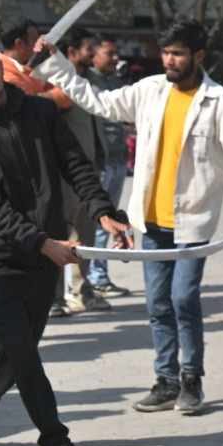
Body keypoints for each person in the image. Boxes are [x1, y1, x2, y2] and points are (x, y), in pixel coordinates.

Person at [35, 20, 223, 416]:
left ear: (198, 56)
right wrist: (54, 65)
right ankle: (166, 380)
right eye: (166, 53)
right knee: (158, 304)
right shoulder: (150, 91)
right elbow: (97, 101)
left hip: (193, 224)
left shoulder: (219, 101)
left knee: (183, 299)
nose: (170, 61)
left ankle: (191, 379)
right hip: (152, 223)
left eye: (178, 54)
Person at [0, 34, 128, 446]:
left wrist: (103, 212)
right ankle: (57, 443)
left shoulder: (40, 112)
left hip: (42, 258)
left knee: (17, 350)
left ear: (1, 64)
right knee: (24, 351)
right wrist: (45, 243)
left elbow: (76, 164)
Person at [54, 31, 114, 314]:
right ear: (72, 51)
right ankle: (53, 298)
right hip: (64, 172)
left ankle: (80, 290)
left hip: (90, 170)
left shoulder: (93, 82)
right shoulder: (56, 82)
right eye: (89, 48)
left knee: (86, 234)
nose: (93, 53)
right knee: (57, 233)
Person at [81, 36, 133, 298]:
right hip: (99, 162)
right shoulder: (86, 83)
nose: (115, 59)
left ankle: (99, 276)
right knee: (97, 222)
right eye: (109, 53)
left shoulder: (114, 82)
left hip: (117, 159)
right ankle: (92, 279)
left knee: (110, 222)